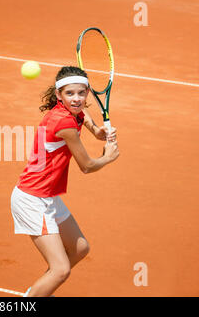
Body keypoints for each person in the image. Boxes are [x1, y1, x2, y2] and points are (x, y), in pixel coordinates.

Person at [11, 66, 119, 297]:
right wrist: (107, 157)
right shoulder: (63, 123)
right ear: (58, 95)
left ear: (88, 92)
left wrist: (96, 130)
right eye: (70, 94)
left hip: (47, 196)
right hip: (32, 199)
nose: (77, 99)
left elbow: (84, 115)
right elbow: (87, 166)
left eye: (81, 93)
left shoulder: (71, 111)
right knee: (61, 270)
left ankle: (38, 292)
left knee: (80, 249)